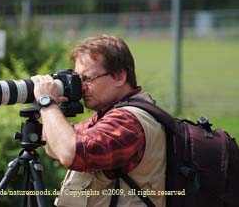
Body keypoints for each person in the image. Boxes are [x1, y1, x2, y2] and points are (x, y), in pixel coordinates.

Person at [31, 34, 166, 207]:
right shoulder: (109, 114)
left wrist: (47, 103)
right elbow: (54, 148)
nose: (81, 87)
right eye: (78, 80)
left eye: (87, 78)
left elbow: (69, 153)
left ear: (119, 77)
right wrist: (50, 106)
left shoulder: (128, 122)